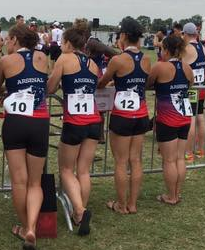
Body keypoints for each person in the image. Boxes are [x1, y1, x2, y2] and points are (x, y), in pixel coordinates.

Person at [0, 23, 50, 250]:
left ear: (16, 40)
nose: (6, 43)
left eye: (8, 39)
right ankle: (32, 228)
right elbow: (41, 84)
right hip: (39, 121)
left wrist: (8, 92)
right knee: (35, 182)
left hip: (16, 122)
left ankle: (25, 226)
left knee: (19, 181)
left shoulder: (7, 61)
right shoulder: (43, 58)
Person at [47, 22, 98, 236]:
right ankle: (80, 214)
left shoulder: (64, 58)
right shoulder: (93, 64)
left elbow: (50, 87)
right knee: (83, 170)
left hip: (75, 122)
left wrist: (59, 83)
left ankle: (79, 210)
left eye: (62, 42)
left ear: (68, 43)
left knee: (66, 170)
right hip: (94, 121)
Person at [99, 16, 150, 214]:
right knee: (135, 160)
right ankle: (132, 204)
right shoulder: (147, 59)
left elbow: (102, 83)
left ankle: (121, 205)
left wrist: (113, 82)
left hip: (122, 115)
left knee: (121, 161)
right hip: (141, 114)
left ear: (124, 36)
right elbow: (141, 82)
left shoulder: (118, 60)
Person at [148, 34, 193, 205]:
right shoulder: (186, 67)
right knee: (180, 158)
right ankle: (177, 193)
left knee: (169, 160)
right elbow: (190, 84)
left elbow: (148, 83)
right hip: (184, 116)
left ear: (166, 50)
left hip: (167, 118)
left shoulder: (160, 66)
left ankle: (171, 196)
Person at [181, 22, 205, 161]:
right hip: (202, 87)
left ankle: (188, 152)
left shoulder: (187, 48)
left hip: (191, 88)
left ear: (185, 34)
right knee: (200, 116)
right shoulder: (203, 47)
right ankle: (200, 150)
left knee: (190, 118)